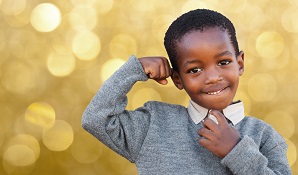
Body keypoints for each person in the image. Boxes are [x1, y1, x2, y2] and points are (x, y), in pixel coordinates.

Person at [82, 9, 292, 174]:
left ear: (240, 64)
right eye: (195, 70)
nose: (212, 77)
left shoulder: (264, 136)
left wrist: (235, 150)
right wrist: (133, 70)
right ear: (177, 79)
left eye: (224, 62)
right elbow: (95, 119)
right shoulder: (153, 125)